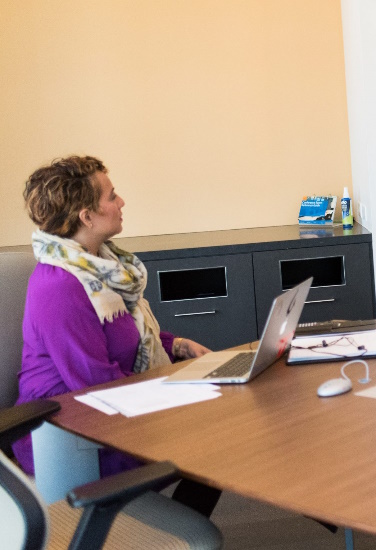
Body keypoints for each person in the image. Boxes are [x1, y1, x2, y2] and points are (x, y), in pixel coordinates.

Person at [13, 155, 220, 515]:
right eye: (111, 196)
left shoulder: (105, 268)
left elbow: (130, 335)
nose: (121, 202)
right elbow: (95, 383)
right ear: (86, 215)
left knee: (218, 433)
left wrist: (178, 346)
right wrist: (177, 391)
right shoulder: (59, 286)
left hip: (113, 406)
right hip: (73, 431)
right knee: (213, 440)